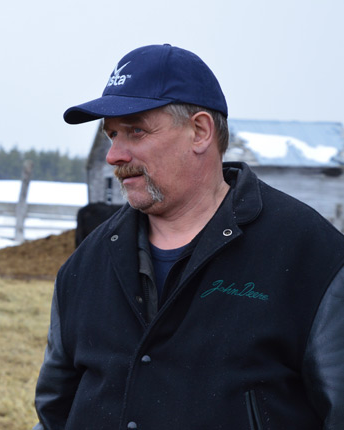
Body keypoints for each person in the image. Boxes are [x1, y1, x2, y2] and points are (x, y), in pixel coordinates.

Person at [33, 44, 344, 429]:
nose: (114, 154)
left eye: (135, 130)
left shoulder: (311, 256)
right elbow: (53, 414)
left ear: (199, 131)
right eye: (112, 135)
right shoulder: (86, 264)